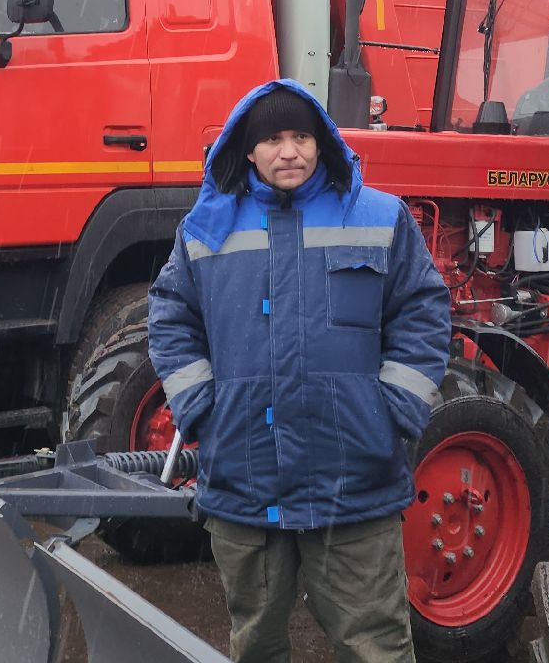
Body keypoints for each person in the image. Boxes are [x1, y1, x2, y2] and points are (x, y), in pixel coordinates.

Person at [148, 80, 450, 663]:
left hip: (353, 479)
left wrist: (393, 411)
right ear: (248, 149)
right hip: (244, 477)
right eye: (273, 140)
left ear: (321, 142)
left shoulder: (379, 217)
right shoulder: (205, 230)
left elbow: (422, 309)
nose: (289, 152)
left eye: (301, 137)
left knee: (377, 647)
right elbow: (170, 319)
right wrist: (201, 407)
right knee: (256, 645)